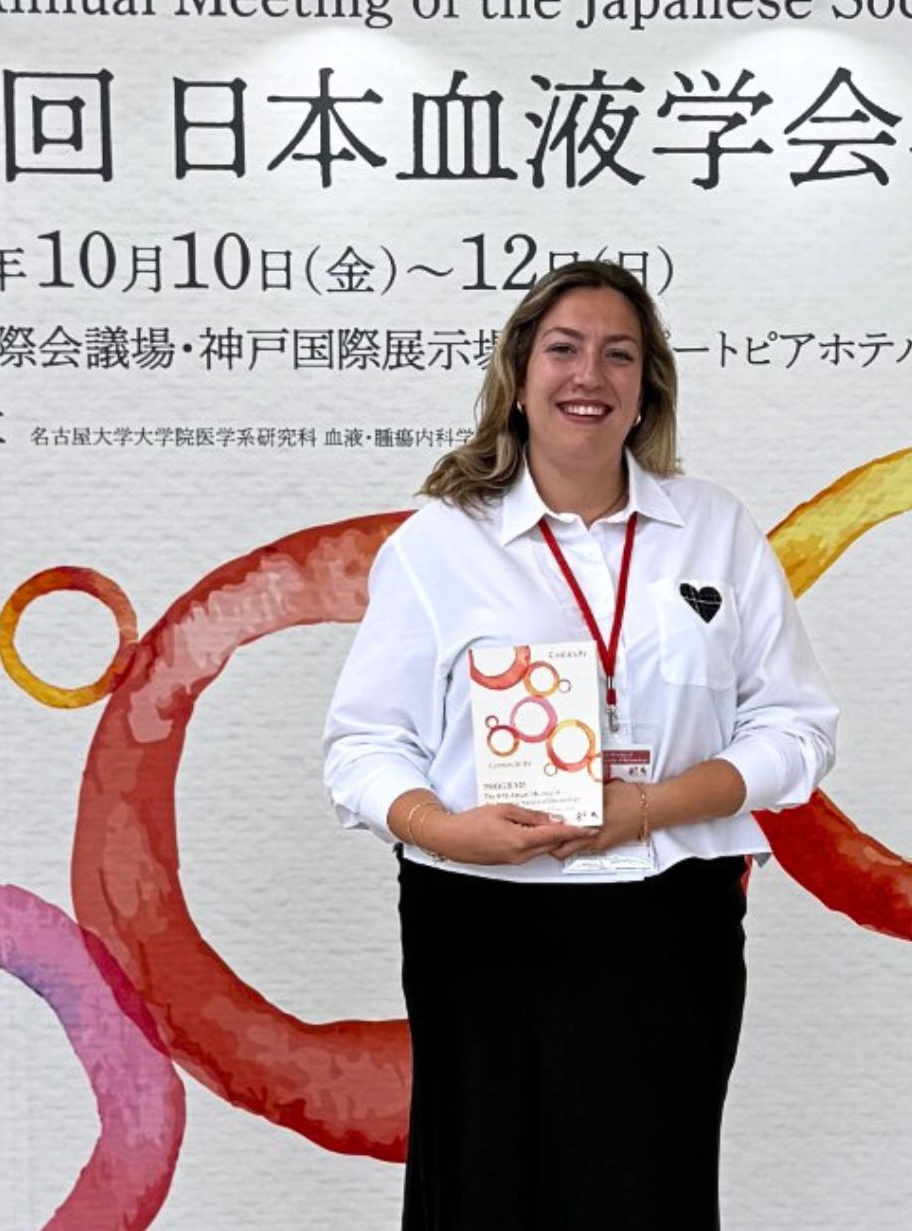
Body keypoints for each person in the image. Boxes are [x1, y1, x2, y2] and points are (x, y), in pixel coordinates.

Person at [322, 259, 841, 1230]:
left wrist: (649, 805)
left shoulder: (714, 531)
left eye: (618, 354)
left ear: (647, 388)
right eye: (562, 349)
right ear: (518, 376)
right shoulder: (440, 544)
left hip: (666, 925)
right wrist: (442, 825)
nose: (587, 375)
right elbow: (362, 746)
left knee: (647, 1189)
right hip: (479, 918)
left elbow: (798, 730)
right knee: (487, 1190)